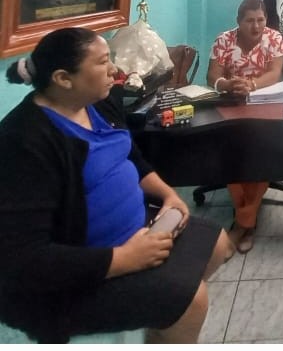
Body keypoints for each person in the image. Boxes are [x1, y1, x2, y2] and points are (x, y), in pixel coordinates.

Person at [0, 28, 234, 344]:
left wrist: (168, 196)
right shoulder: (24, 141)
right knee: (192, 301)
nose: (115, 69)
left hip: (137, 232)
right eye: (103, 62)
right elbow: (24, 260)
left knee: (220, 244)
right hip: (73, 277)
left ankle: (160, 319)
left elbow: (131, 158)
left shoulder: (99, 102)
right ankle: (168, 308)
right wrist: (125, 258)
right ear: (64, 79)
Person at [206, 0, 283, 253]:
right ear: (238, 22)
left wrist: (251, 85)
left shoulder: (274, 38)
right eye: (250, 21)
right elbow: (212, 76)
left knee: (260, 154)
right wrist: (227, 84)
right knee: (232, 155)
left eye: (261, 20)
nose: (256, 26)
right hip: (231, 103)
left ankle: (243, 224)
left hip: (265, 103)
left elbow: (274, 73)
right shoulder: (224, 40)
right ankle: (247, 221)